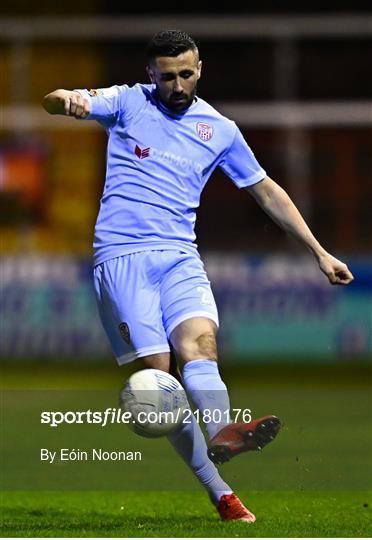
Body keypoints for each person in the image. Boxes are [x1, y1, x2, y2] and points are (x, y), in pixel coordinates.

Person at [42, 29, 354, 523]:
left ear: (200, 68)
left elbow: (267, 191)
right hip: (122, 259)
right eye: (167, 76)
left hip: (180, 256)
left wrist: (318, 251)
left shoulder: (221, 130)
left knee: (201, 345)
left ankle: (223, 433)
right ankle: (220, 492)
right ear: (152, 75)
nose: (178, 84)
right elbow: (58, 98)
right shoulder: (126, 102)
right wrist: (67, 102)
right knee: (157, 386)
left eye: (186, 73)